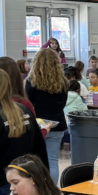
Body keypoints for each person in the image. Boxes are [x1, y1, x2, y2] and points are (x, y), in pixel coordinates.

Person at [25, 48, 69, 182]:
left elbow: (28, 104)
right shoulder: (63, 82)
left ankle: (38, 191)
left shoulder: (31, 81)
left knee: (33, 161)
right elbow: (63, 104)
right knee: (53, 161)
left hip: (38, 125)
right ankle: (52, 192)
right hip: (57, 123)